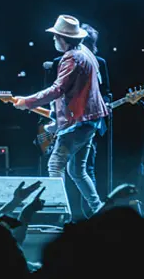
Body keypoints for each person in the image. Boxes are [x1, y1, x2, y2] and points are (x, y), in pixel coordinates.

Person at [13, 15, 108, 214]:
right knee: (77, 171)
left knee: (55, 165)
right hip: (89, 121)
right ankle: (99, 211)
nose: (54, 40)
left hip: (79, 122)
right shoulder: (86, 52)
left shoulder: (72, 57)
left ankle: (60, 213)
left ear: (63, 39)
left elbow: (57, 89)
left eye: (56, 36)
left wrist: (27, 101)